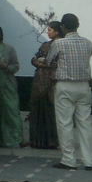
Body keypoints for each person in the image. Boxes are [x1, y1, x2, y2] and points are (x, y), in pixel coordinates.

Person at [47, 12, 92, 170]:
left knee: (65, 123)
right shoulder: (88, 43)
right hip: (84, 86)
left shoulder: (59, 43)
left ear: (63, 27)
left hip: (65, 85)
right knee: (85, 124)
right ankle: (89, 161)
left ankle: (69, 160)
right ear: (77, 25)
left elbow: (49, 61)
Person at [28, 22, 62, 150]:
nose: (47, 32)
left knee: (50, 111)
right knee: (38, 110)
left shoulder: (62, 45)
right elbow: (34, 59)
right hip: (39, 81)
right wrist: (38, 63)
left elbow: (58, 64)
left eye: (50, 30)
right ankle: (37, 141)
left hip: (53, 81)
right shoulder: (45, 45)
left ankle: (52, 141)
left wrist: (44, 64)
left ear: (57, 31)